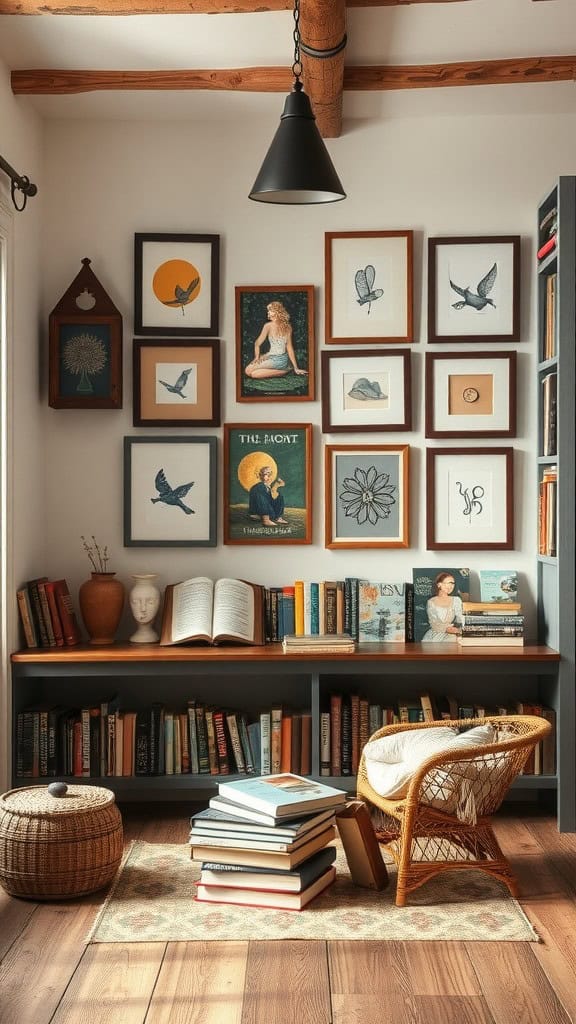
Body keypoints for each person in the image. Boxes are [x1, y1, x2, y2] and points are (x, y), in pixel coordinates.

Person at [244, 301, 308, 380]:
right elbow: (257, 343)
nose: (268, 312)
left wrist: (296, 368)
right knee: (247, 371)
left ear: (276, 311)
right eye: (268, 310)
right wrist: (257, 357)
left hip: (281, 359)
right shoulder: (268, 326)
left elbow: (289, 348)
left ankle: (286, 370)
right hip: (271, 356)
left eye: (270, 310)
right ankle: (285, 368)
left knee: (254, 375)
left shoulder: (288, 327)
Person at [422, 572, 463, 642]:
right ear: (439, 585)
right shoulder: (431, 601)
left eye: (453, 583)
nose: (451, 586)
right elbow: (433, 623)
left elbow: (460, 619)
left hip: (452, 634)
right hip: (434, 635)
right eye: (449, 583)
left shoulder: (456, 600)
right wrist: (447, 629)